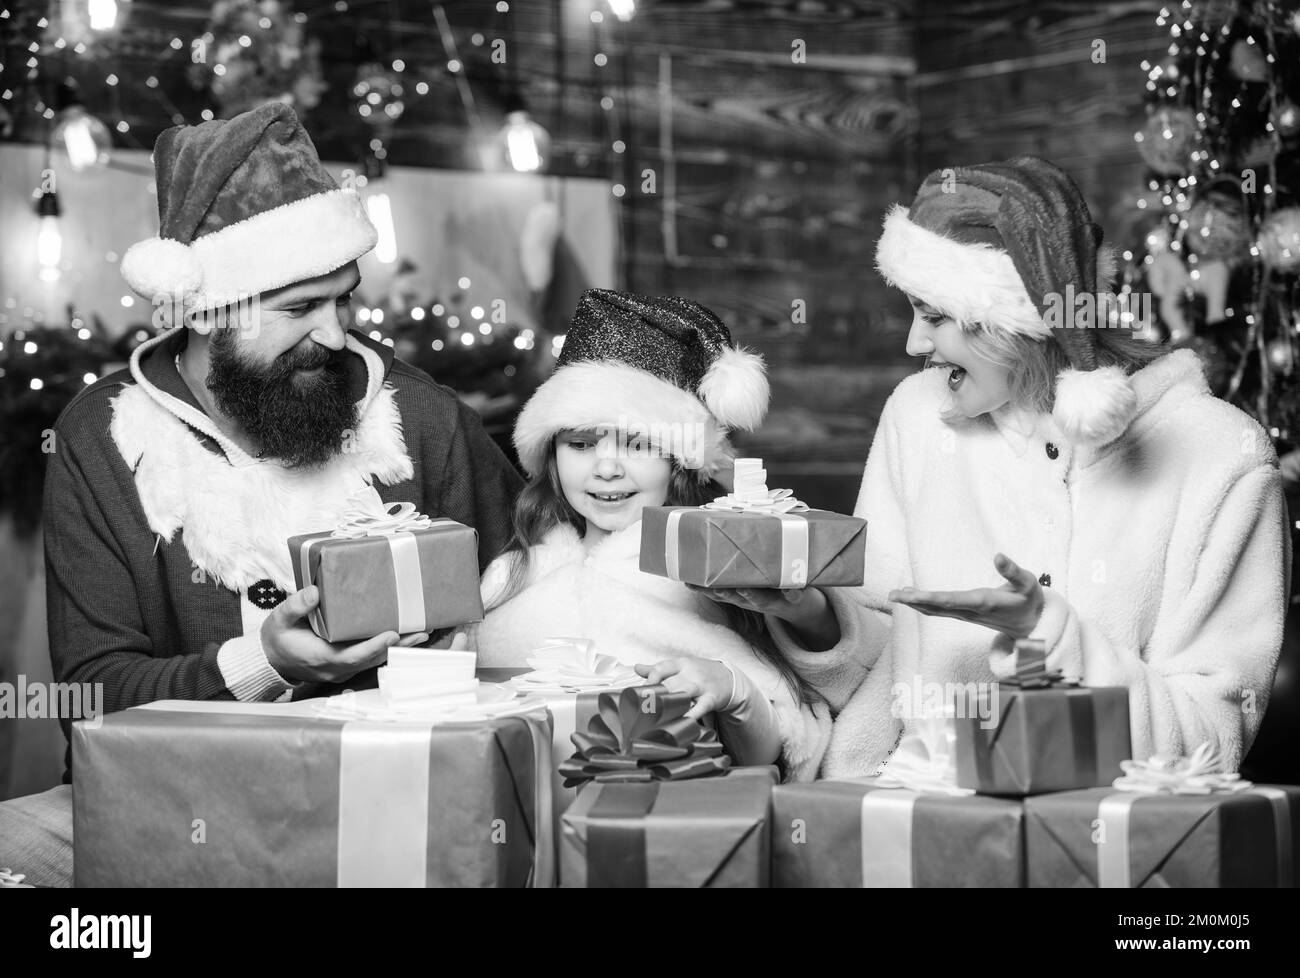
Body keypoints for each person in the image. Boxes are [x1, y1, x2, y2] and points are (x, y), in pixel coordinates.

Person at [0, 103, 522, 886]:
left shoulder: (418, 415)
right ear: (208, 311)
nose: (337, 335)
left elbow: (537, 568)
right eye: (299, 308)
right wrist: (264, 662)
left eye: (343, 299)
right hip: (168, 802)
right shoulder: (101, 438)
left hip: (384, 798)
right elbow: (91, 696)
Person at [707, 156, 1288, 779]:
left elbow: (1212, 738)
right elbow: (885, 661)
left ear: (1021, 323)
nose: (914, 344)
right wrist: (813, 616)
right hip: (903, 822)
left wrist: (1053, 638)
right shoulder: (918, 416)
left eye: (935, 317)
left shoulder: (1222, 459)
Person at [464, 290, 832, 780]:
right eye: (581, 443)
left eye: (638, 444)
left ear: (680, 461)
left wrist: (734, 689)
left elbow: (779, 751)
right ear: (551, 455)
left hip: (658, 835)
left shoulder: (710, 576)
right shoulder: (512, 575)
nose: (608, 467)